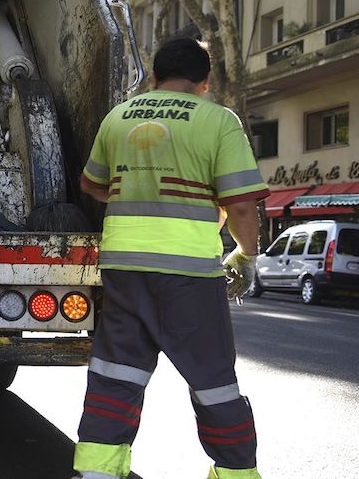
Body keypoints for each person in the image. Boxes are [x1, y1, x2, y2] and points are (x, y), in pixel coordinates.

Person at [72, 37, 269, 479]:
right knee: (213, 380)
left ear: (155, 76)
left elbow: (92, 184)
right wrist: (247, 255)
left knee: (116, 372)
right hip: (188, 273)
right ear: (204, 82)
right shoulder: (218, 121)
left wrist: (134, 191)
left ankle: (97, 472)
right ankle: (236, 472)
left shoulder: (119, 118)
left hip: (123, 267)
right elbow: (240, 205)